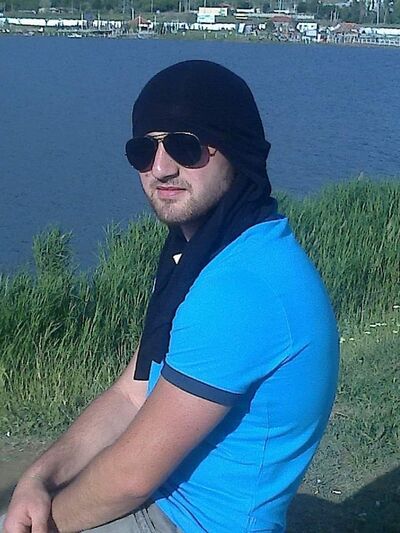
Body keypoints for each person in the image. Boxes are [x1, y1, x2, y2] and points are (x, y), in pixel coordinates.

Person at [2, 60, 339, 533]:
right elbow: (131, 393)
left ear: (237, 148)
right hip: (168, 503)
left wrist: (35, 524)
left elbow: (132, 478)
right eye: (144, 150)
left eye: (186, 145)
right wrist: (37, 479)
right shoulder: (206, 254)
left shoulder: (241, 289)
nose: (161, 168)